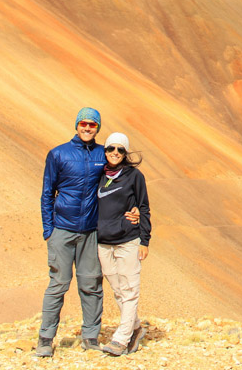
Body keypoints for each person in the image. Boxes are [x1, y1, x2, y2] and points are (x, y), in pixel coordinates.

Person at [36, 107, 107, 357]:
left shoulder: (103, 154)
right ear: (77, 125)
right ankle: (45, 338)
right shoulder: (59, 154)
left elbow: (121, 183)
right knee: (58, 284)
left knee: (91, 284)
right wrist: (49, 230)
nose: (87, 128)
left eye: (92, 125)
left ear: (98, 127)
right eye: (84, 124)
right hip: (62, 230)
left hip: (90, 231)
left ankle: (90, 336)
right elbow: (47, 192)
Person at [96, 132, 151, 356]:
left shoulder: (134, 176)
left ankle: (121, 338)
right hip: (102, 241)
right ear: (105, 150)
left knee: (129, 288)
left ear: (125, 153)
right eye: (111, 149)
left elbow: (144, 207)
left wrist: (145, 240)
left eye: (120, 150)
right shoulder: (97, 175)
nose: (115, 153)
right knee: (117, 288)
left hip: (128, 240)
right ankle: (136, 328)